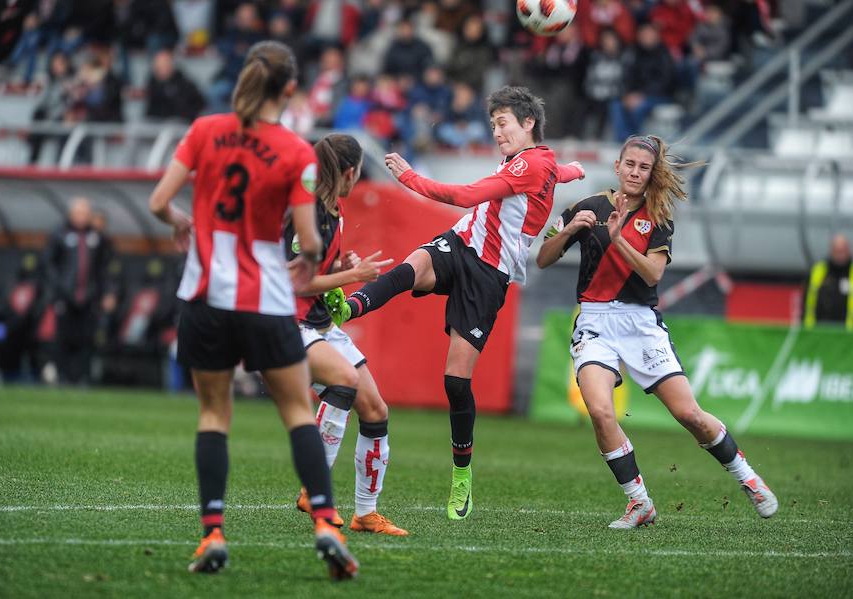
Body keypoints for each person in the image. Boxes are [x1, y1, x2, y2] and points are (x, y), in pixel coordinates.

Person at [148, 40, 358, 579]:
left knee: (214, 416)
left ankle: (213, 534)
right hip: (266, 300)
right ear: (289, 89)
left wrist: (180, 224)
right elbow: (308, 242)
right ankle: (327, 524)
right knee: (295, 411)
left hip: (204, 297)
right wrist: (304, 268)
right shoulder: (297, 153)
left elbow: (156, 202)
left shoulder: (203, 131)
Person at [325, 86, 584, 520]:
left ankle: (462, 474)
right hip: (463, 241)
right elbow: (559, 170)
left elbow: (465, 197)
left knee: (456, 382)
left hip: (489, 274)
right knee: (413, 268)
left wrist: (408, 178)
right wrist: (573, 169)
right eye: (494, 125)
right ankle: (350, 307)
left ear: (528, 124)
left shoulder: (531, 162)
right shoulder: (542, 162)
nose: (497, 132)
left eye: (503, 124)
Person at [536, 134, 778, 528]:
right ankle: (639, 502)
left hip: (640, 324)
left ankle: (746, 477)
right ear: (617, 166)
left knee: (690, 414)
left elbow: (652, 273)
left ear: (651, 174)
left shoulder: (658, 217)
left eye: (643, 167)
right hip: (595, 321)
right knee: (599, 409)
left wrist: (618, 240)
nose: (635, 172)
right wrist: (566, 232)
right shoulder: (587, 206)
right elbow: (544, 258)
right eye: (629, 164)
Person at [285, 133, 407, 536]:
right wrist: (354, 275)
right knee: (345, 382)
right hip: (291, 322)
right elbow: (295, 282)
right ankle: (312, 488)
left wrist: (343, 261)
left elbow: (321, 267)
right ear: (350, 172)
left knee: (375, 410)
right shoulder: (306, 211)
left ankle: (366, 513)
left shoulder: (331, 210)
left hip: (320, 323)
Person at [43, 197, 110, 385]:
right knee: (63, 338)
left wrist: (104, 291)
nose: (82, 217)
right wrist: (59, 286)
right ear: (71, 214)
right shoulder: (59, 234)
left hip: (89, 297)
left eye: (86, 214)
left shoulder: (97, 238)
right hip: (65, 297)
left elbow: (103, 268)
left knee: (87, 339)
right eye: (79, 213)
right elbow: (49, 264)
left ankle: (84, 378)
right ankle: (62, 376)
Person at [804, 234, 852, 330]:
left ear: (849, 251)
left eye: (843, 251)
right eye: (837, 251)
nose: (840, 255)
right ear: (831, 251)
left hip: (848, 335)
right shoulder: (818, 271)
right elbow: (807, 302)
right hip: (820, 332)